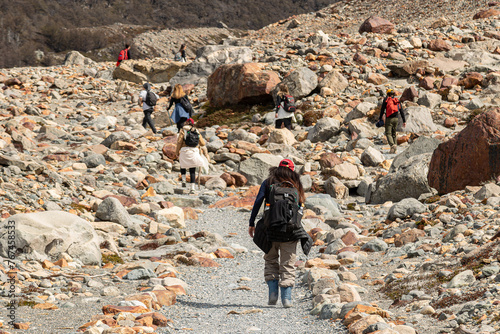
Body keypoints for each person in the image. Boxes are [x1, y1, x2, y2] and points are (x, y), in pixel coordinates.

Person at [249, 159, 312, 308]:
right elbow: (301, 207)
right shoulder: (296, 183)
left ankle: (272, 294)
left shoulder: (268, 182)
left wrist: (252, 223)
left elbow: (257, 202)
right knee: (288, 263)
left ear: (277, 168)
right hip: (290, 231)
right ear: (292, 170)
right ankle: (286, 299)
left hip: (270, 229)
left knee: (270, 260)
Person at [175, 118, 210, 190]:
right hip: (194, 151)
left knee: (182, 164)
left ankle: (184, 180)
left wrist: (177, 152)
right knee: (192, 169)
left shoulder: (183, 130)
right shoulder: (196, 130)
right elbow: (202, 143)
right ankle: (192, 188)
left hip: (184, 150)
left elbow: (179, 142)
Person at [379, 89, 406, 154]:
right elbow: (401, 111)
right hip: (396, 119)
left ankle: (392, 145)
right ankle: (395, 149)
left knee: (388, 133)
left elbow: (382, 110)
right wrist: (404, 121)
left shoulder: (386, 100)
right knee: (394, 133)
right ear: (393, 94)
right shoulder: (397, 100)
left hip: (389, 119)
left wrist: (380, 118)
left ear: (387, 94)